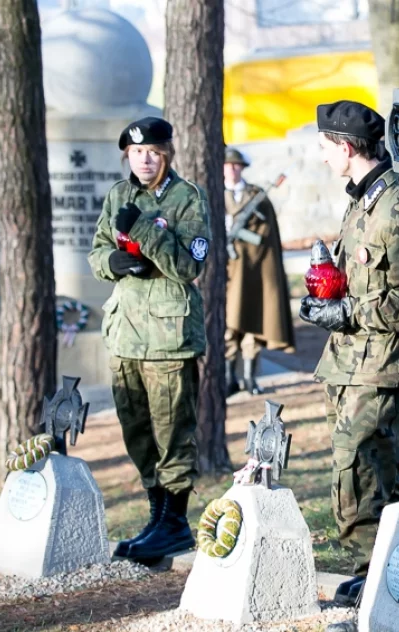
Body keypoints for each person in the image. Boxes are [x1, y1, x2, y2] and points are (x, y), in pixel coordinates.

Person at [300, 100, 399, 605]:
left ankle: (377, 570)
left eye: (325, 148)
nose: (323, 157)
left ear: (347, 147)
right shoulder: (361, 202)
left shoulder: (398, 209)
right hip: (352, 365)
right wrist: (326, 297)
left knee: (363, 470)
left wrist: (349, 310)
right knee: (374, 472)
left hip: (384, 367)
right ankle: (383, 571)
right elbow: (358, 279)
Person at [88, 117, 212, 561]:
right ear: (127, 155)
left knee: (172, 433)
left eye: (153, 153)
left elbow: (189, 266)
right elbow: (98, 250)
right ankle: (156, 516)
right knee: (138, 434)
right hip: (125, 335)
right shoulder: (119, 195)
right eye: (137, 153)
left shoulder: (187, 198)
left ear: (167, 155)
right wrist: (113, 263)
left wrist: (144, 230)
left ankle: (176, 523)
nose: (144, 159)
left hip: (168, 338)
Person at [224, 147, 295, 397]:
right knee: (229, 326)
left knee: (252, 324)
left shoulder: (257, 196)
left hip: (253, 271)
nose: (231, 170)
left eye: (235, 165)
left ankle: (249, 378)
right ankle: (229, 378)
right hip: (228, 272)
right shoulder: (214, 194)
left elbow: (268, 236)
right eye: (227, 165)